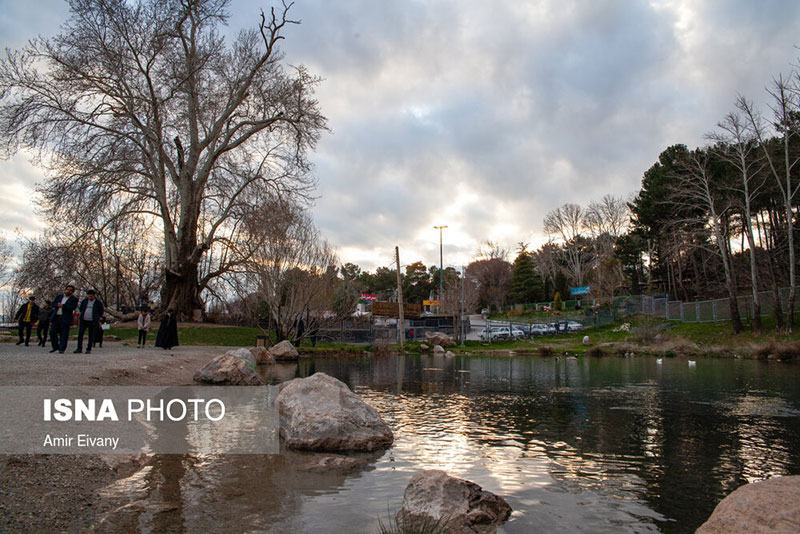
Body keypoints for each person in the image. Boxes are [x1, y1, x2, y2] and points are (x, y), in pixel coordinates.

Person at [49, 284, 79, 354]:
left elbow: (72, 307)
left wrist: (63, 306)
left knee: (64, 334)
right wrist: (57, 305)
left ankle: (61, 348)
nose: (69, 291)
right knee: (52, 332)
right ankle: (55, 346)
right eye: (68, 290)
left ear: (72, 292)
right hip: (56, 317)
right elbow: (53, 304)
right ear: (65, 290)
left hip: (65, 318)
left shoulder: (74, 299)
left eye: (70, 290)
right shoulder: (59, 297)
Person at [75, 289, 104, 354]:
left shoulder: (98, 302)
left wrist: (99, 317)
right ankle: (79, 348)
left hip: (93, 321)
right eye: (88, 296)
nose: (89, 297)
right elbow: (81, 308)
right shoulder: (84, 301)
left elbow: (101, 311)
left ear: (94, 296)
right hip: (84, 320)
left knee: (91, 335)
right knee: (80, 334)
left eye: (91, 296)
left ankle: (88, 348)